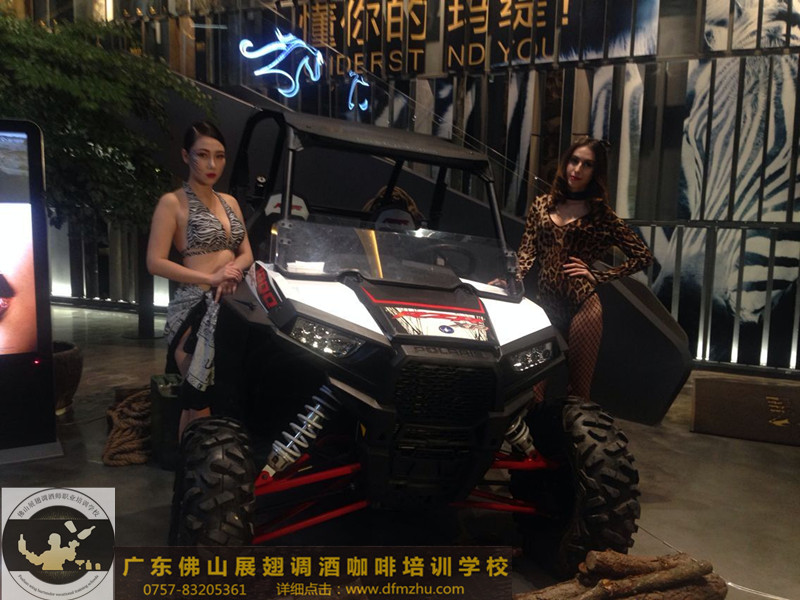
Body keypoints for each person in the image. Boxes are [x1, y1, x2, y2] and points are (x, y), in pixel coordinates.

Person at [513, 137, 653, 401]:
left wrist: (598, 275)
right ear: (566, 162)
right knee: (530, 392)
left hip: (583, 307)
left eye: (587, 164)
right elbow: (526, 252)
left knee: (578, 395)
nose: (577, 169)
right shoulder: (542, 205)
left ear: (595, 172)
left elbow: (643, 256)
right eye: (574, 161)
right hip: (545, 307)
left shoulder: (602, 216)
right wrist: (511, 278)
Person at [147, 121, 253, 439]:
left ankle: (193, 461)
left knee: (216, 397)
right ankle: (197, 462)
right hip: (193, 307)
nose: (212, 164)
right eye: (202, 155)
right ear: (185, 156)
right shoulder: (172, 203)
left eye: (219, 156)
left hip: (232, 304)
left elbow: (247, 253)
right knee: (199, 398)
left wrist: (232, 271)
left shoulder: (230, 202)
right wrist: (211, 276)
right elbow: (154, 262)